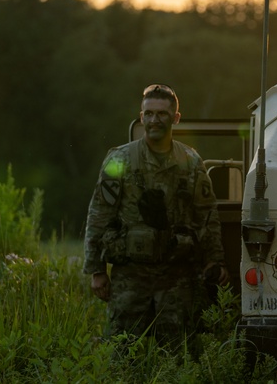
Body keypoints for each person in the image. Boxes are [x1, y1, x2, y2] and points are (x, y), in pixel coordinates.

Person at [83, 83, 228, 343]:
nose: (154, 120)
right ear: (141, 117)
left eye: (161, 114)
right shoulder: (119, 160)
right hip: (130, 276)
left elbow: (206, 214)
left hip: (177, 277)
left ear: (175, 118)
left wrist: (214, 260)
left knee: (177, 352)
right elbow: (100, 213)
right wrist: (96, 269)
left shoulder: (190, 161)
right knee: (123, 350)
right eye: (148, 114)